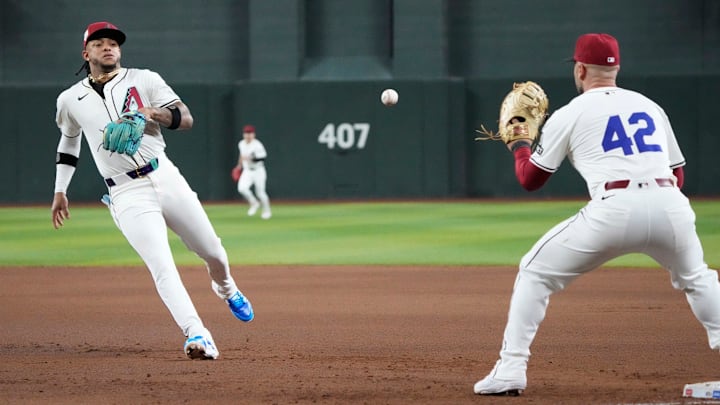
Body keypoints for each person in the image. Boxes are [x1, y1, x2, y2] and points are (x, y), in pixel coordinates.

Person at [474, 33, 720, 395]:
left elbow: (531, 179)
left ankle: (511, 369)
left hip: (614, 209)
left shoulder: (570, 113)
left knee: (534, 271)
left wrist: (521, 145)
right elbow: (678, 175)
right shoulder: (650, 106)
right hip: (671, 205)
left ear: (580, 69)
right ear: (616, 68)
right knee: (698, 279)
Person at [50, 21, 255, 360]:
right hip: (125, 192)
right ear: (86, 53)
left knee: (214, 253)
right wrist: (61, 190)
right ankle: (198, 334)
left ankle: (226, 288)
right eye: (99, 42)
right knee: (162, 265)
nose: (108, 47)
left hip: (165, 176)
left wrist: (151, 113)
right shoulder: (70, 100)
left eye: (114, 42)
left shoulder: (144, 79)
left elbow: (185, 118)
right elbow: (68, 141)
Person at [234, 125, 272, 219]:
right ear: (244, 134)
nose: (248, 135)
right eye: (246, 133)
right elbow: (242, 156)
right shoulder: (241, 144)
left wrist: (252, 158)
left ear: (253, 134)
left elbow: (262, 158)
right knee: (242, 188)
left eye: (250, 133)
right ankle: (254, 203)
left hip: (258, 170)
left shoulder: (257, 145)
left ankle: (267, 211)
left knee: (260, 193)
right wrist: (239, 166)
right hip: (247, 171)